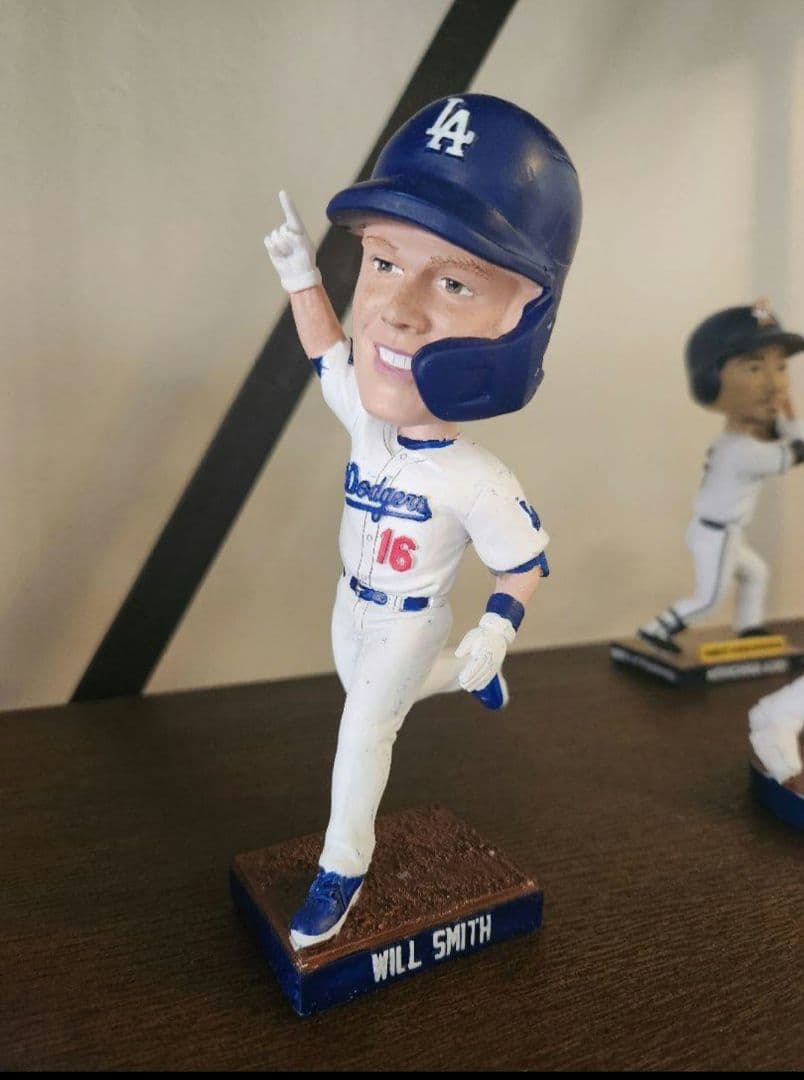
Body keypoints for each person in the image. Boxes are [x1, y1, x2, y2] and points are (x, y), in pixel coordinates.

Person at [264, 94, 581, 948]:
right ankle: (465, 678)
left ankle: (342, 868)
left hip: (410, 616)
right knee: (373, 697)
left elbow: (525, 563)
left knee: (364, 731)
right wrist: (300, 275)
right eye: (382, 261)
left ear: (522, 321)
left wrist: (497, 629)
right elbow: (326, 351)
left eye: (453, 281)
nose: (397, 310)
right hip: (353, 604)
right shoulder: (367, 423)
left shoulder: (477, 480)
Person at [638, 301, 804, 654]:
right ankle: (658, 630)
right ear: (711, 381)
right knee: (709, 599)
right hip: (718, 532)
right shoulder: (743, 450)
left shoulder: (736, 440)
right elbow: (797, 451)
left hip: (718, 530)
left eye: (780, 367)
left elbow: (782, 437)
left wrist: (783, 416)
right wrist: (791, 413)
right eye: (755, 367)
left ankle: (748, 627)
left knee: (755, 573)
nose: (775, 383)